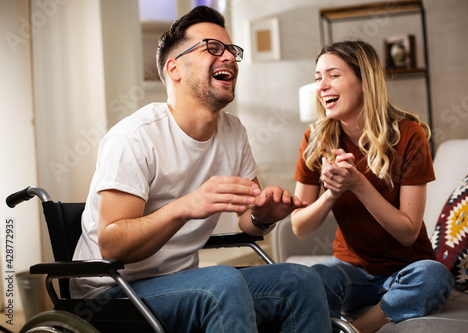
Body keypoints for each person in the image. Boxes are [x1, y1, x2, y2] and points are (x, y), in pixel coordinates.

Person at [70, 6, 333, 333]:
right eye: (213, 48)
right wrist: (185, 207)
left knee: (302, 280)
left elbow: (248, 220)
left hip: (184, 282)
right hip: (113, 291)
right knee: (222, 283)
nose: (229, 58)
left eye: (232, 51)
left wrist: (263, 215)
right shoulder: (135, 137)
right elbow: (112, 245)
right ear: (174, 68)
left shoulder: (233, 132)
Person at [291, 40, 454, 333]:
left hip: (406, 269)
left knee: (434, 276)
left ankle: (355, 329)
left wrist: (359, 184)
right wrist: (333, 192)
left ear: (364, 81)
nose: (322, 86)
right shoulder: (316, 139)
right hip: (350, 270)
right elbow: (300, 227)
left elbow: (407, 233)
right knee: (313, 279)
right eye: (318, 78)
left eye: (333, 75)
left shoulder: (408, 134)